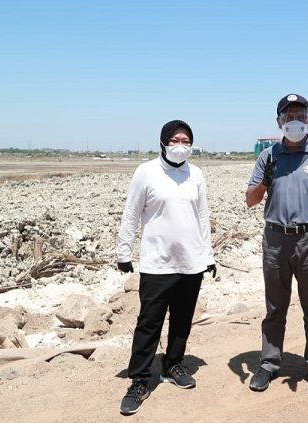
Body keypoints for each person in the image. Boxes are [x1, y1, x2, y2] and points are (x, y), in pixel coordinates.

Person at [245, 93, 308, 395]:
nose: (295, 121)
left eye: (301, 115)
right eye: (289, 116)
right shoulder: (268, 156)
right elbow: (251, 200)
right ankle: (268, 363)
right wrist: (264, 180)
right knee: (275, 307)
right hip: (276, 240)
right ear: (279, 121)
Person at [116, 119, 216, 415]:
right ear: (163, 142)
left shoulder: (195, 174)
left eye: (186, 140)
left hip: (191, 263)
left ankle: (173, 364)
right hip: (157, 263)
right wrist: (124, 251)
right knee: (149, 322)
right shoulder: (146, 172)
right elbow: (131, 213)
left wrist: (208, 256)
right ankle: (140, 379)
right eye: (175, 140)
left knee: (183, 319)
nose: (181, 146)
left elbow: (203, 216)